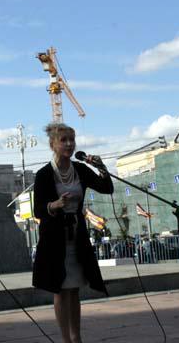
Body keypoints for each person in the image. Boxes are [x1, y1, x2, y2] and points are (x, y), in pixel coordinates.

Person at [33, 123, 114, 343]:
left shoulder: (80, 170)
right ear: (53, 144)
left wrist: (102, 167)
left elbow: (106, 188)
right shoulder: (43, 174)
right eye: (64, 140)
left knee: (74, 288)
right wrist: (55, 205)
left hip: (77, 237)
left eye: (72, 140)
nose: (69, 144)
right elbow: (38, 210)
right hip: (55, 240)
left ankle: (76, 337)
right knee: (60, 289)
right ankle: (65, 339)